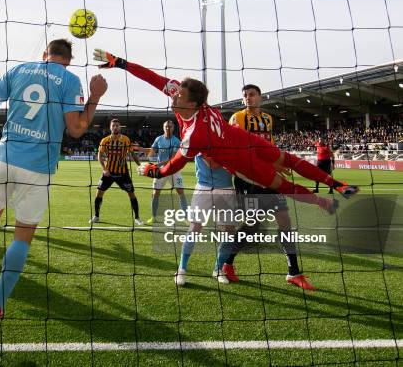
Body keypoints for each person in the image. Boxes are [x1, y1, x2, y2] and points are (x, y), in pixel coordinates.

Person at [0, 39, 107, 339]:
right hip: (38, 167)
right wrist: (95, 97)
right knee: (22, 236)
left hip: (5, 157)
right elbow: (77, 129)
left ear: (45, 55)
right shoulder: (69, 79)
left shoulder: (18, 70)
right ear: (67, 60)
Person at [93, 48, 358, 212]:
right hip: (247, 143)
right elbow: (153, 78)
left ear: (192, 102)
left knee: (284, 183)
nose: (172, 96)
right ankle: (331, 192)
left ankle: (330, 194)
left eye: (178, 95)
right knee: (288, 163)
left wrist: (156, 171)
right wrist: (119, 62)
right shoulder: (191, 104)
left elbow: (175, 164)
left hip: (243, 159)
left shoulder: (194, 134)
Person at [224, 84, 316, 290]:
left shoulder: (267, 119)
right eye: (245, 96)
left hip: (267, 177)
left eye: (252, 95)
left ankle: (294, 272)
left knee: (284, 220)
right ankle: (227, 263)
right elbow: (239, 149)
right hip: (246, 178)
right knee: (252, 225)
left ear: (260, 97)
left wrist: (278, 163)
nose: (248, 98)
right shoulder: (237, 118)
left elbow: (269, 147)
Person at [175, 155, 236, 286]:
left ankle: (218, 269)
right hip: (204, 187)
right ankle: (181, 269)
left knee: (229, 231)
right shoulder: (200, 135)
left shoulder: (228, 136)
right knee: (195, 228)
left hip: (226, 187)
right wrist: (233, 158)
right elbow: (212, 163)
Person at [89, 119, 143, 226]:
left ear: (120, 127)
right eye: (113, 126)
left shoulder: (126, 140)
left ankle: (137, 218)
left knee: (131, 194)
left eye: (117, 126)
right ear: (110, 127)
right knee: (99, 192)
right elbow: (99, 155)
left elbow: (132, 154)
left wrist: (140, 166)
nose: (115, 127)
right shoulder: (105, 140)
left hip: (123, 173)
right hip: (108, 173)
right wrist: (104, 169)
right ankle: (96, 216)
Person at [146, 120, 186, 224]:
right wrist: (139, 149)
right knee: (155, 194)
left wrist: (158, 164)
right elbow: (151, 152)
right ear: (163, 128)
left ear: (173, 128)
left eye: (170, 126)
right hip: (160, 172)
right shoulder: (158, 139)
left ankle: (186, 218)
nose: (168, 128)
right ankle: (154, 217)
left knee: (181, 193)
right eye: (166, 127)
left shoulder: (176, 141)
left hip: (174, 170)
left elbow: (173, 158)